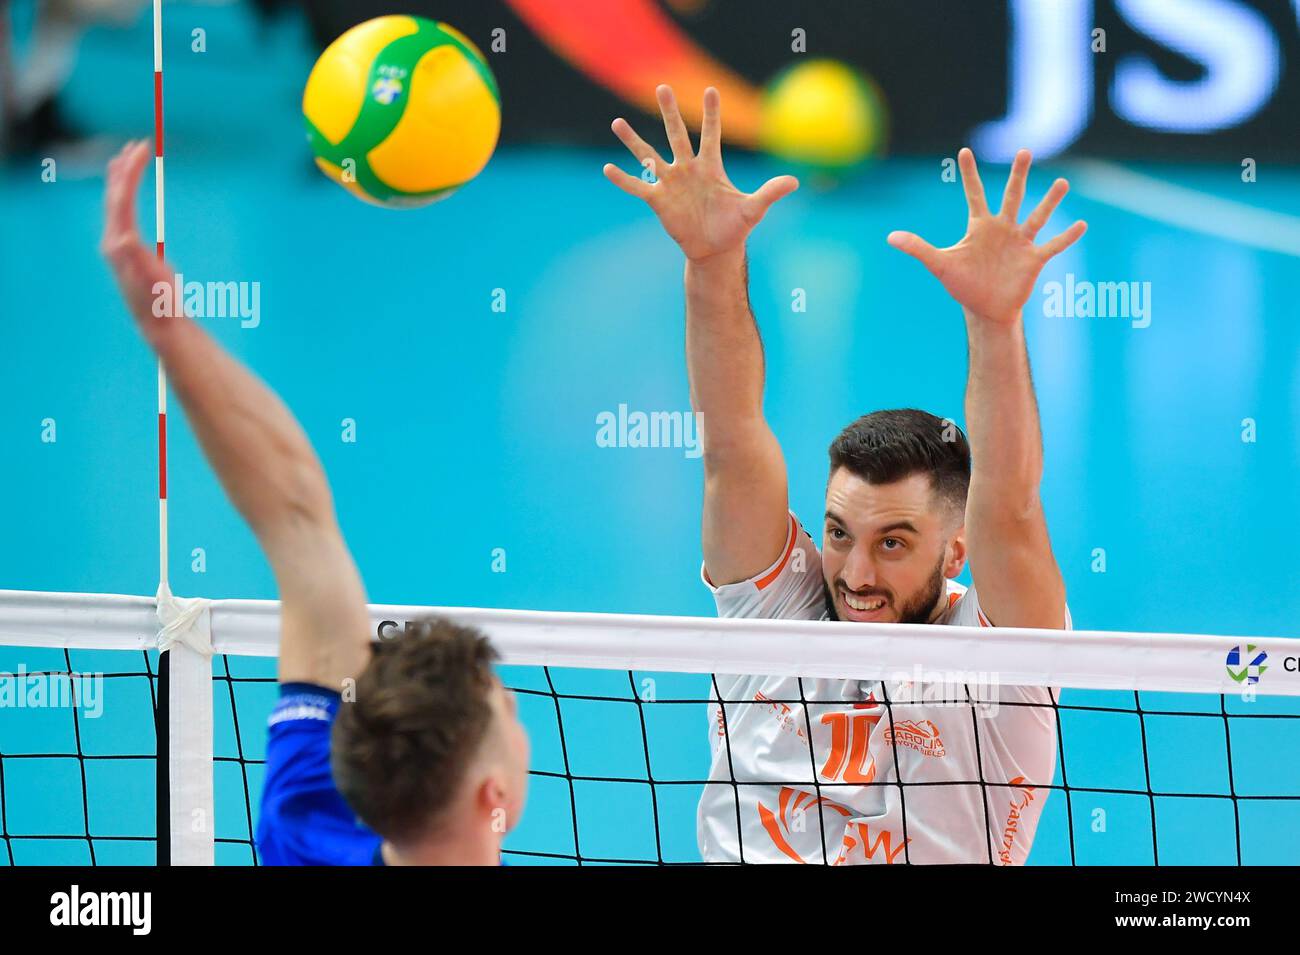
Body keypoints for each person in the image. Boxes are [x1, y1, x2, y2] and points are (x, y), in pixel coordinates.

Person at [605, 86, 1084, 864]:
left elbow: (1013, 508)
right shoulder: (782, 614)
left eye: (894, 543)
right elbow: (730, 441)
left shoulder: (1002, 664)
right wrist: (711, 259)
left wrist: (996, 325)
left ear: (956, 553)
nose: (854, 572)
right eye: (838, 533)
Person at [100, 140, 529, 865]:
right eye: (510, 713)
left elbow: (294, 508)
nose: (520, 722)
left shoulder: (310, 814)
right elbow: (292, 509)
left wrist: (169, 335)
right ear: (494, 797)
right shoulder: (300, 814)